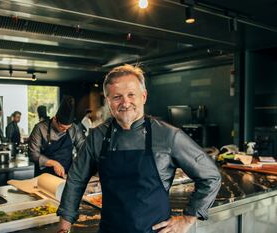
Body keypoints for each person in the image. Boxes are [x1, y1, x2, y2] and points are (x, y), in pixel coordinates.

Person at [57, 65, 221, 233]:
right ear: (108, 101)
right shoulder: (97, 137)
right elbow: (76, 179)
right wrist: (64, 225)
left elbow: (210, 176)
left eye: (131, 95)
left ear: (143, 96)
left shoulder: (168, 135)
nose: (125, 103)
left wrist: (188, 218)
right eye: (117, 97)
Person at [29, 96, 85, 177]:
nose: (65, 131)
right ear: (55, 119)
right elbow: (33, 154)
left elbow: (83, 148)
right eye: (62, 127)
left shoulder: (74, 129)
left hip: (66, 175)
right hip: (44, 176)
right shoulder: (40, 128)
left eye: (68, 128)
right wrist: (53, 163)